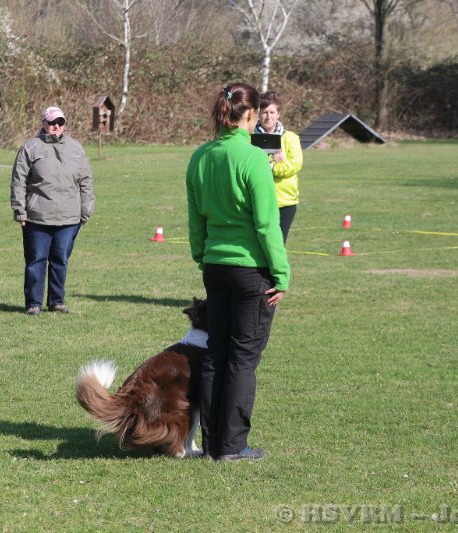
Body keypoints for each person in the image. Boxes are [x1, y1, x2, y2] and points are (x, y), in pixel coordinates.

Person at [186, 82, 291, 461]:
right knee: (242, 358)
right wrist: (281, 273)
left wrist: (203, 257)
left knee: (216, 354)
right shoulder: (252, 159)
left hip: (215, 267)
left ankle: (213, 443)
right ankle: (231, 446)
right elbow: (267, 224)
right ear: (251, 115)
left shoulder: (200, 157)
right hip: (250, 271)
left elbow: (195, 219)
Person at [11, 106, 95, 316]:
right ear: (43, 123)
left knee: (60, 260)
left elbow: (86, 181)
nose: (56, 126)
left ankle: (56, 301)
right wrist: (20, 210)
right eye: (52, 122)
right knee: (36, 261)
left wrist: (86, 209)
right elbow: (19, 181)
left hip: (69, 218)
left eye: (60, 122)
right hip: (37, 217)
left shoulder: (76, 149)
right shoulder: (30, 148)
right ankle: (34, 303)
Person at [254, 91, 303, 243]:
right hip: (258, 200)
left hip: (285, 202)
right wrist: (274, 163)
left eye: (272, 112)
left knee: (278, 245)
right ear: (258, 114)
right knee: (259, 244)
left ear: (278, 114)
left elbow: (295, 165)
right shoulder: (250, 139)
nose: (268, 117)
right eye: (264, 112)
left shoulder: (291, 138)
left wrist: (273, 167)